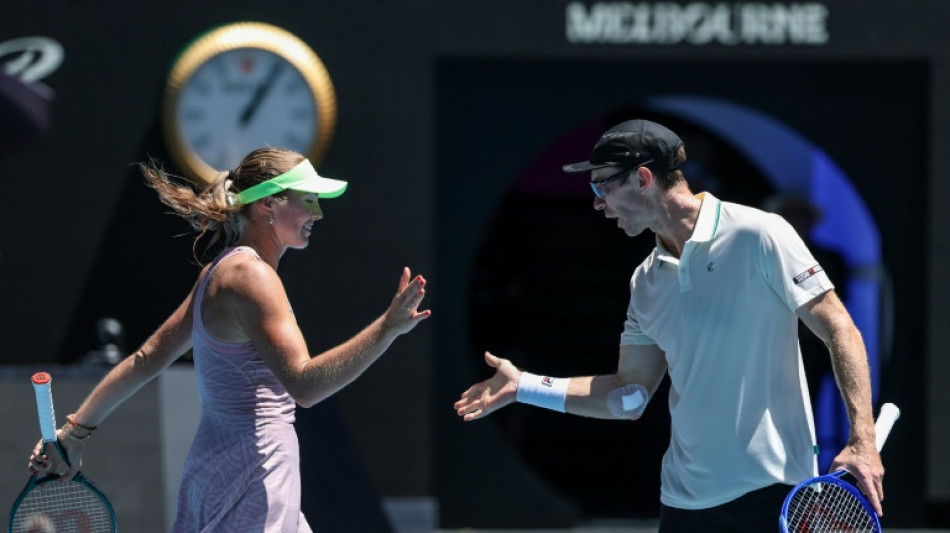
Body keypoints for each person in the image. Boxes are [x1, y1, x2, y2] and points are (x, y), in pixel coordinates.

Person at [454, 120, 884, 532]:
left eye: (602, 185)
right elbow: (629, 396)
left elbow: (838, 328)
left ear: (643, 178)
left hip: (769, 492)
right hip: (684, 504)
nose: (597, 202)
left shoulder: (760, 234)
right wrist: (523, 386)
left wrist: (862, 439)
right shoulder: (645, 281)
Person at [28, 147, 431, 532]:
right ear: (267, 205)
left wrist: (74, 432)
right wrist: (387, 328)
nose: (319, 213)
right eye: (308, 200)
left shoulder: (219, 273)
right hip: (255, 477)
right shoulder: (253, 278)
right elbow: (305, 386)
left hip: (216, 475)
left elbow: (147, 358)